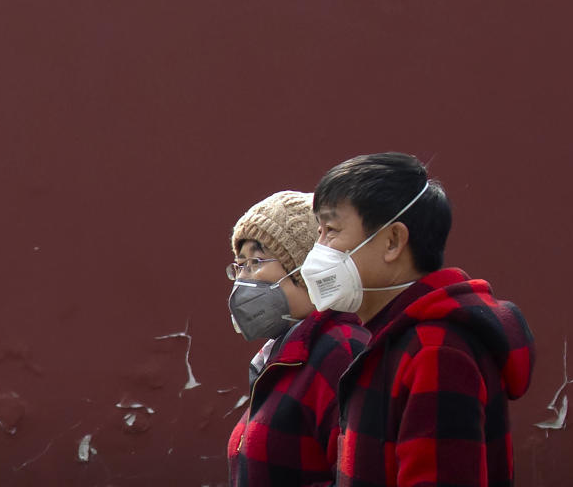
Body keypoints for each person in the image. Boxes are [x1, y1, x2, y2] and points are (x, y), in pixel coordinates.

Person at [300, 153, 535, 487]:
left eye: (332, 231)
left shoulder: (436, 352)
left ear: (393, 241)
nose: (318, 250)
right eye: (319, 232)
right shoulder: (388, 340)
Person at [226, 190, 370, 486]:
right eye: (240, 265)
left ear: (305, 268)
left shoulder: (341, 350)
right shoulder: (278, 358)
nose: (245, 279)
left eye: (257, 260)